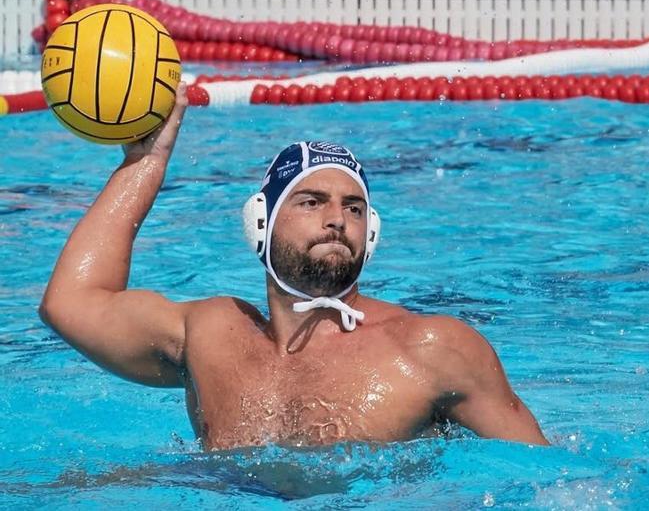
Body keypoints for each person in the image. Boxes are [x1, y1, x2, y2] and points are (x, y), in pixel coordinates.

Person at [39, 84, 547, 450]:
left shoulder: (432, 349)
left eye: (354, 207)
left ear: (371, 234)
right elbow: (71, 303)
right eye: (311, 202)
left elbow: (549, 480)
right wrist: (145, 163)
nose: (336, 219)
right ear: (260, 224)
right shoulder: (210, 335)